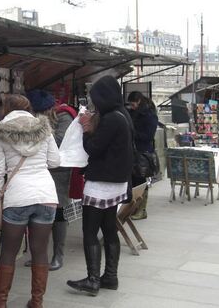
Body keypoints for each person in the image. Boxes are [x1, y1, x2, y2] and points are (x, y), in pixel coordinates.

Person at [0, 94, 60, 308]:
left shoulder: (0, 131)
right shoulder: (43, 128)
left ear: (6, 108)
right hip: (46, 195)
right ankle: (37, 302)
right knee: (40, 250)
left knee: (9, 250)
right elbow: (55, 161)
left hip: (17, 196)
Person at [67, 75, 133, 296]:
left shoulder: (111, 118)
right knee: (109, 229)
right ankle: (110, 277)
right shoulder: (121, 115)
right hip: (117, 183)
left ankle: (93, 279)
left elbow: (94, 149)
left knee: (89, 231)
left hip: (101, 182)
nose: (94, 103)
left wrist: (86, 128)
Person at [25, 89, 73, 271]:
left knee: (58, 214)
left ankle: (58, 256)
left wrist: (39, 129)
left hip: (59, 171)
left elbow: (61, 141)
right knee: (38, 213)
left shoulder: (63, 116)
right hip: (39, 170)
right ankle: (39, 255)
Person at [126, 91, 158, 220]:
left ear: (139, 101)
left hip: (143, 153)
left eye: (133, 104)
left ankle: (141, 209)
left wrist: (133, 133)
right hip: (133, 152)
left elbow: (148, 136)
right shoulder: (134, 113)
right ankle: (133, 208)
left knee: (140, 181)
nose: (132, 107)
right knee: (134, 181)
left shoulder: (149, 115)